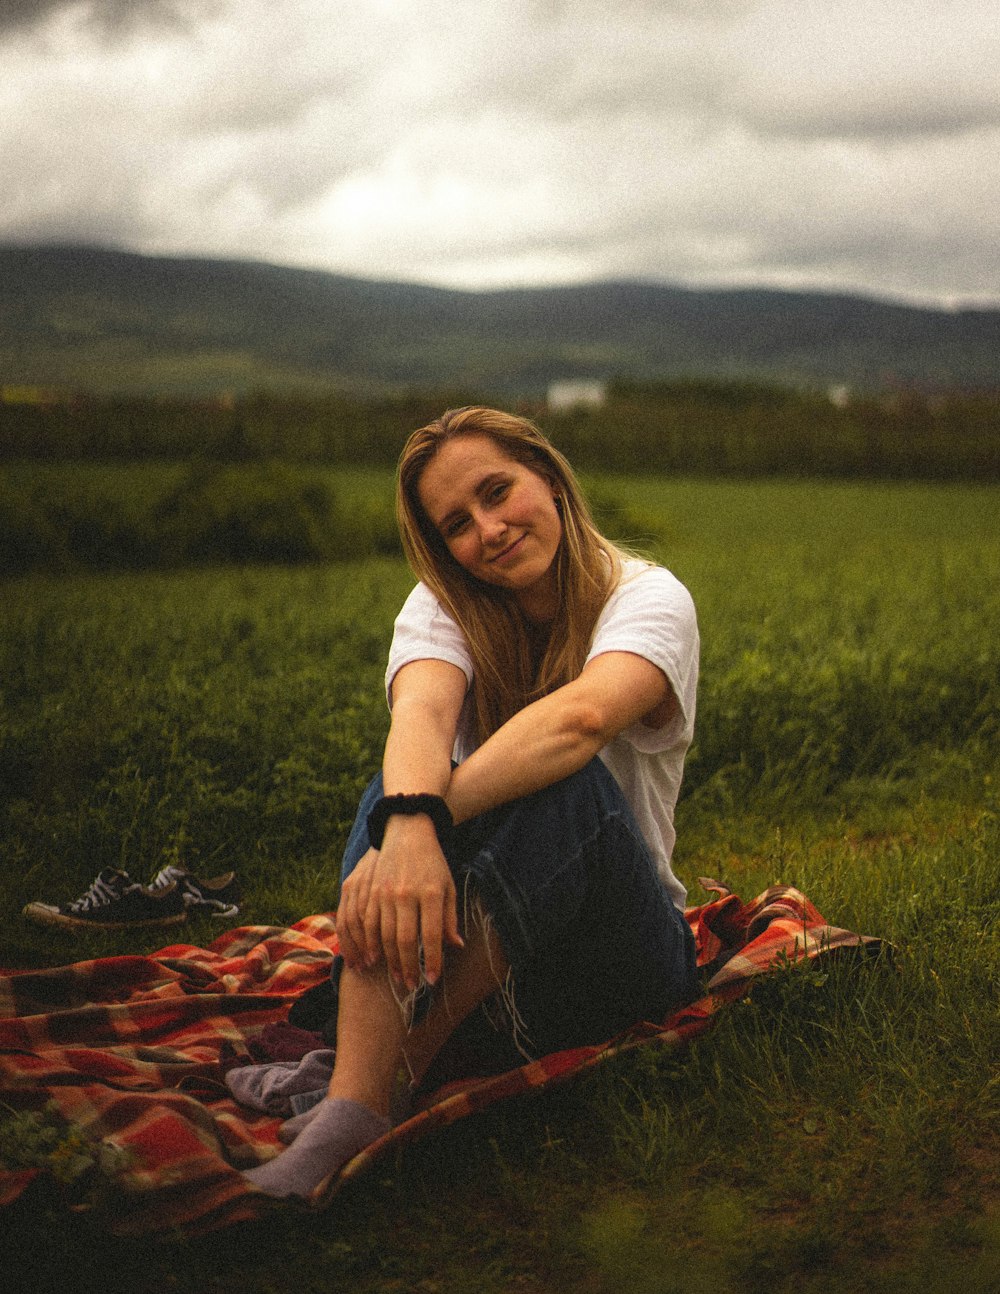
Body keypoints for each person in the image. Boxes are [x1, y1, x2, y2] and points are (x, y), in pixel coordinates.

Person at [245, 406, 701, 1198]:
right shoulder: (443, 604)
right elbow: (418, 715)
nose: (488, 530)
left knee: (561, 779)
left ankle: (403, 1063)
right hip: (481, 955)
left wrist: (419, 825)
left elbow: (579, 720)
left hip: (621, 959)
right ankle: (354, 1102)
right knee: (396, 784)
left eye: (499, 493)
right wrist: (406, 818)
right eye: (457, 523)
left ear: (551, 481)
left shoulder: (650, 598)